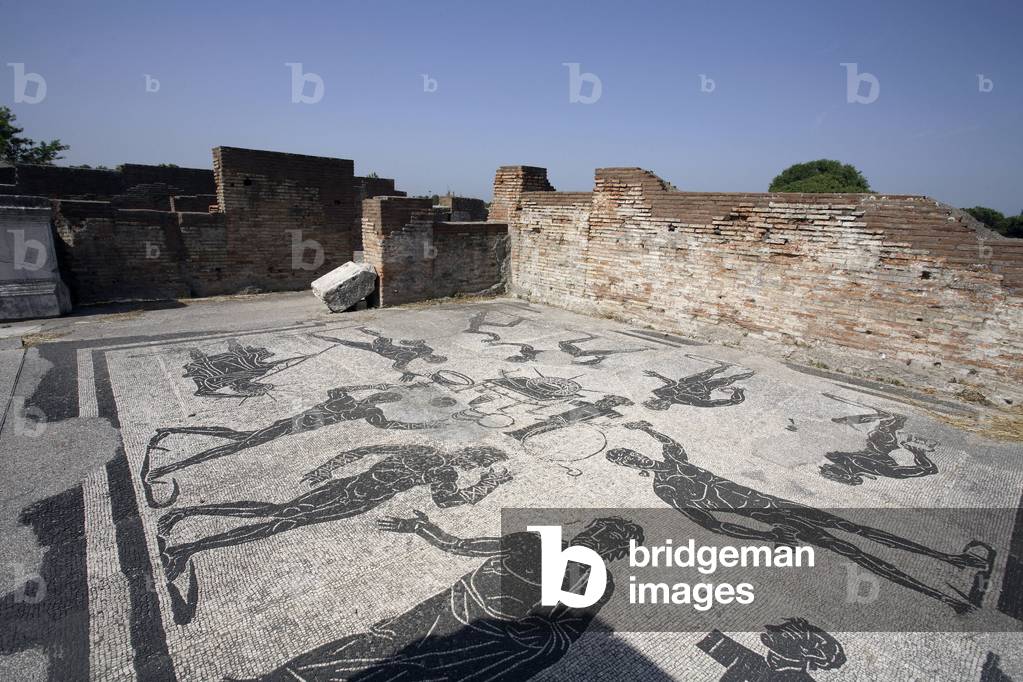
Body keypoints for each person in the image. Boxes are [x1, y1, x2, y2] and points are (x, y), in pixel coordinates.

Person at [606, 421, 994, 615]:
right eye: (626, 459)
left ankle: (953, 560)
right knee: (851, 549)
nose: (634, 457)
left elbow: (674, 445)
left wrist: (647, 428)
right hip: (769, 517)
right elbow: (712, 524)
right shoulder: (666, 489)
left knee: (860, 529)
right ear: (630, 468)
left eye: (630, 451)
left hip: (776, 501)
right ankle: (943, 597)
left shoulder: (674, 464)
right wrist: (767, 538)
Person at [240, 514, 643, 681]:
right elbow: (463, 546)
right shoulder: (538, 540)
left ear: (615, 551)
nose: (598, 536)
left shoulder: (598, 580)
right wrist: (423, 528)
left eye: (610, 537)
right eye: (600, 527)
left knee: (415, 673)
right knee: (374, 644)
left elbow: (563, 637)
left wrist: (515, 638)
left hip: (489, 639)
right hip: (448, 606)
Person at [158, 445, 513, 624]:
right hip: (358, 499)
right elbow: (449, 503)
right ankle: (189, 542)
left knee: (276, 513)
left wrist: (329, 466)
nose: (473, 466)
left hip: (350, 486)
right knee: (277, 518)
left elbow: (365, 450)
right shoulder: (444, 470)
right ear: (474, 459)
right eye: (479, 463)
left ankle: (187, 523)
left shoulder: (425, 450)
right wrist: (488, 483)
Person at [142, 383, 443, 508]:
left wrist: (424, 426)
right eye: (382, 397)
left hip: (290, 429)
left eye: (383, 399)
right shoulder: (350, 401)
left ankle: (172, 433)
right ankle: (170, 464)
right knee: (236, 441)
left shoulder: (364, 410)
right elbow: (340, 390)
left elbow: (389, 425)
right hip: (288, 425)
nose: (379, 401)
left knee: (237, 438)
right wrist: (371, 386)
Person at [819, 393, 938, 485]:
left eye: (829, 468)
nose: (829, 466)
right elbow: (929, 469)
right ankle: (893, 422)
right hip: (881, 445)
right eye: (832, 471)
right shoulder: (872, 467)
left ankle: (887, 421)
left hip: (871, 443)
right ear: (846, 476)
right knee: (883, 429)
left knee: (874, 430)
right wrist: (918, 454)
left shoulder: (837, 458)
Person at [313, 327, 446, 382]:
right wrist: (414, 341)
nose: (431, 357)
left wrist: (407, 372)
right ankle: (364, 330)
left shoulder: (407, 357)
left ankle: (319, 336)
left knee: (346, 342)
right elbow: (414, 341)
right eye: (435, 358)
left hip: (379, 349)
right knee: (383, 336)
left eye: (433, 359)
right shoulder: (426, 349)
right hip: (385, 344)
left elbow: (397, 367)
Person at [642, 359, 755, 410]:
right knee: (730, 379)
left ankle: (724, 366)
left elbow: (672, 383)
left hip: (688, 382)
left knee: (707, 373)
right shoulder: (690, 401)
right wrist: (738, 391)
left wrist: (657, 375)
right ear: (665, 407)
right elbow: (715, 403)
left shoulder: (659, 392)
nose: (660, 403)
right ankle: (750, 373)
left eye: (656, 402)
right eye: (659, 405)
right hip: (704, 386)